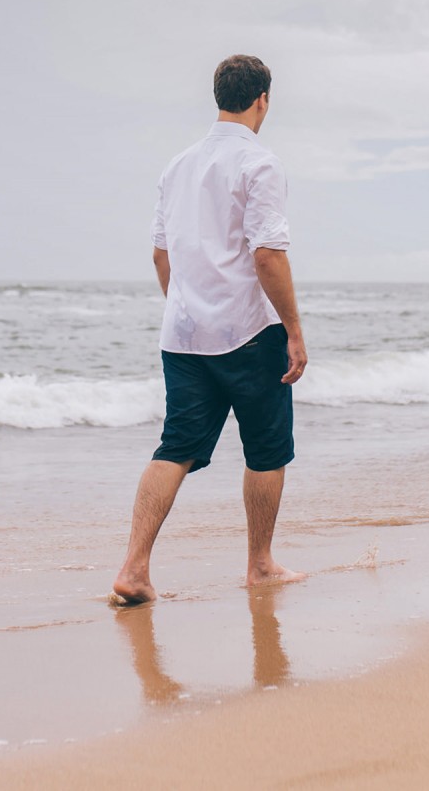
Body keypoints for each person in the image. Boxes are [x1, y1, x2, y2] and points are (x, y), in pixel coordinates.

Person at [110, 54, 309, 606]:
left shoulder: (177, 166)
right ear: (262, 99)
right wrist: (293, 329)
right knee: (267, 449)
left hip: (183, 335)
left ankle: (134, 567)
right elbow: (268, 255)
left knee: (175, 446)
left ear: (218, 95)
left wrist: (189, 308)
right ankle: (261, 566)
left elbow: (160, 255)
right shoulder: (261, 165)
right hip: (248, 330)